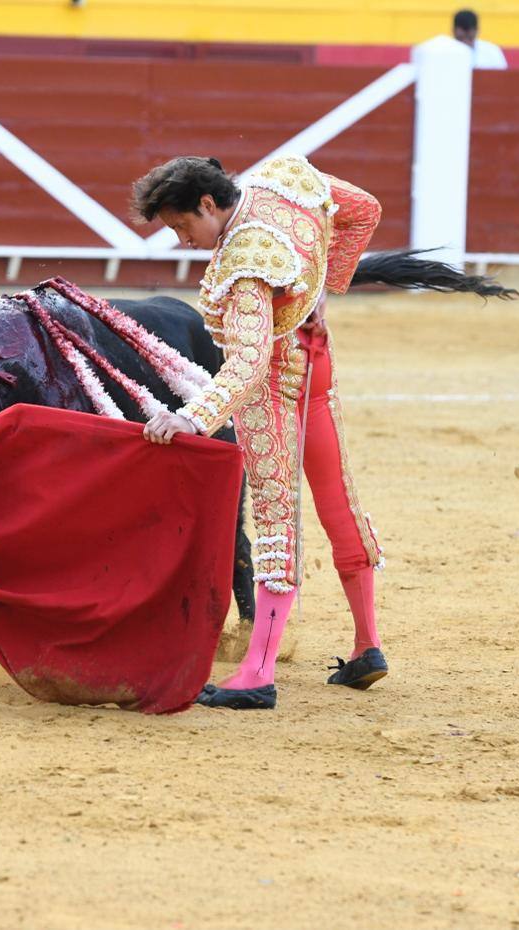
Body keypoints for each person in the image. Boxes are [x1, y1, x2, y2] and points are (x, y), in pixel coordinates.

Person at [133, 155, 388, 710]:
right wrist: (320, 289)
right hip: (317, 361)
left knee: (275, 515)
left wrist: (192, 417)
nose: (183, 241)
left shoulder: (246, 260)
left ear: (208, 203)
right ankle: (368, 645)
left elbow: (247, 364)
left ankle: (257, 673)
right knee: (338, 500)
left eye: (182, 226)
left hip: (275, 379)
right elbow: (363, 211)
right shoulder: (284, 178)